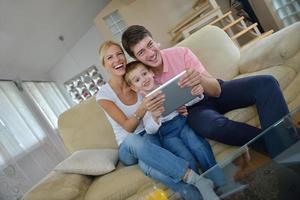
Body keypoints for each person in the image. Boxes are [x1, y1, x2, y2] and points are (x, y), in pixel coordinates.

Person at [121, 25, 293, 157]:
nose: (150, 53)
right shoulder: (143, 79)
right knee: (214, 126)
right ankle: (287, 148)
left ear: (155, 40)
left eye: (150, 44)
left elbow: (217, 91)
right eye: (142, 52)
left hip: (213, 91)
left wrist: (200, 80)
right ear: (136, 58)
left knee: (266, 83)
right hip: (194, 111)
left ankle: (286, 150)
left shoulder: (181, 53)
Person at [96, 40, 219, 200]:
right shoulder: (104, 94)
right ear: (104, 64)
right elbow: (128, 128)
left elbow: (164, 100)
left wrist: (176, 105)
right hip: (128, 144)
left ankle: (196, 195)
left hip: (150, 134)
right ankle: (195, 179)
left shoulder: (137, 79)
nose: (117, 60)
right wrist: (143, 108)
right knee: (133, 140)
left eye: (119, 54)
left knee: (148, 166)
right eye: (110, 57)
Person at [123, 60, 225, 188]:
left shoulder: (168, 88)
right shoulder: (144, 105)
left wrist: (197, 94)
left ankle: (220, 181)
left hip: (183, 126)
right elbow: (150, 130)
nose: (143, 79)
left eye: (144, 74)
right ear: (133, 87)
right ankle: (201, 188)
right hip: (168, 136)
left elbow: (186, 101)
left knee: (200, 147)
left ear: (151, 72)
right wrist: (155, 116)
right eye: (137, 80)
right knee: (187, 158)